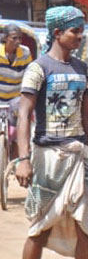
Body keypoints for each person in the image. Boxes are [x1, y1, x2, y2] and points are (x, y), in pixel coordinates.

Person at [15, 6, 88, 259]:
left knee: (85, 228)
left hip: (79, 158)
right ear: (57, 33)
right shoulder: (38, 68)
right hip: (48, 158)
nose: (80, 36)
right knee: (40, 229)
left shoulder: (82, 69)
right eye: (74, 31)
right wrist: (23, 158)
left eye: (81, 31)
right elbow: (23, 114)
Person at [0, 24, 33, 158]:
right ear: (5, 38)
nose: (18, 42)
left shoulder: (25, 52)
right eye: (14, 38)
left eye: (20, 38)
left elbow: (29, 74)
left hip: (15, 97)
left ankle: (16, 160)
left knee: (19, 128)